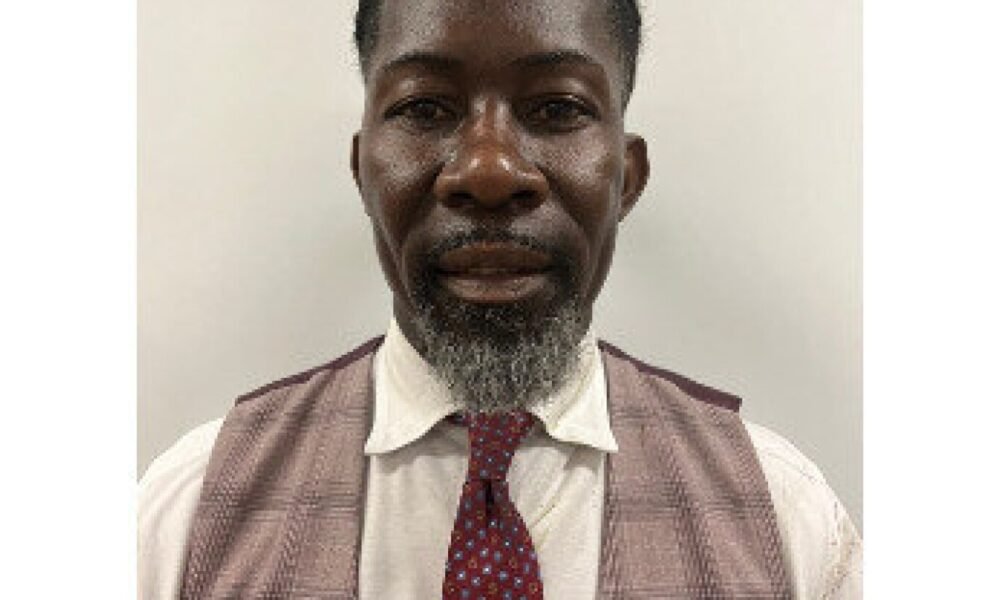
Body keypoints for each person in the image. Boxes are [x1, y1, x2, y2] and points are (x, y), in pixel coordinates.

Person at [139, 0, 862, 598]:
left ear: (627, 177)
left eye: (557, 108)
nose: (489, 171)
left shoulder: (787, 522)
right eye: (425, 108)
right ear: (363, 170)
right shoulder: (186, 516)